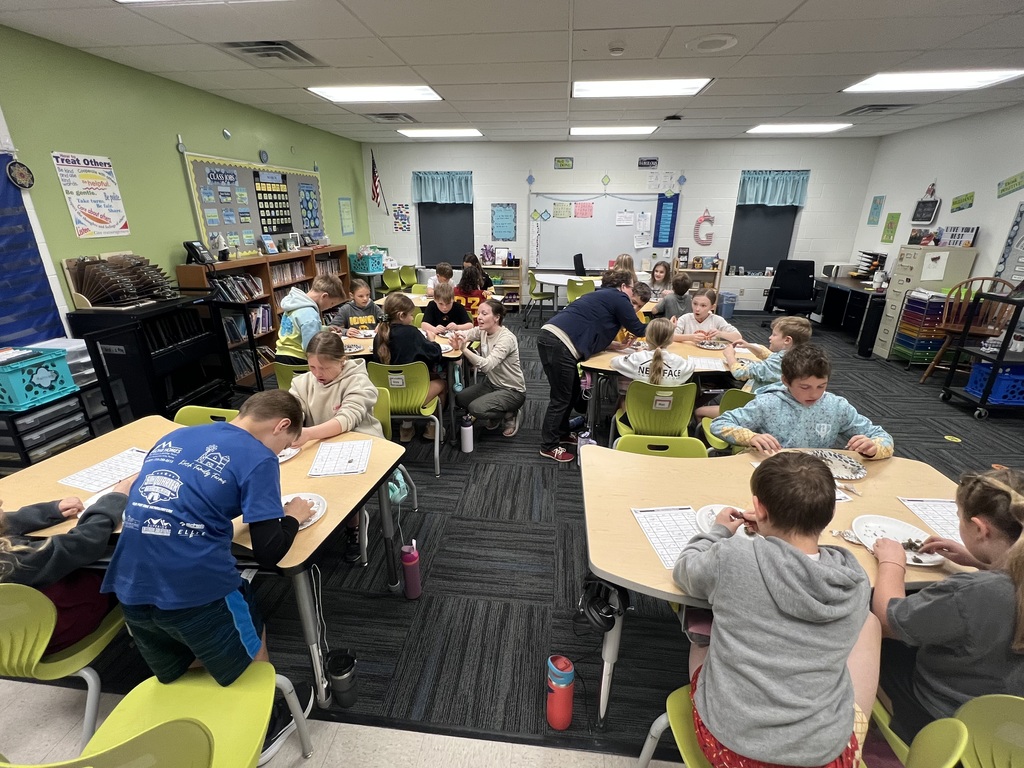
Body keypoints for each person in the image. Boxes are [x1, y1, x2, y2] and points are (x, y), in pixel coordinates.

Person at [100, 390, 316, 764]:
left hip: (129, 588)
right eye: (286, 444)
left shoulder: (175, 436)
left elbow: (177, 496)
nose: (281, 452)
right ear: (282, 426)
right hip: (197, 590)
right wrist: (293, 515)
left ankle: (194, 723)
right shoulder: (260, 457)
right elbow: (270, 551)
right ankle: (262, 725)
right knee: (246, 604)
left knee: (179, 667)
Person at [675, 451, 879, 768]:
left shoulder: (732, 556)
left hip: (732, 748)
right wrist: (772, 532)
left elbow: (686, 569)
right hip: (822, 755)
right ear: (828, 514)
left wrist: (718, 532)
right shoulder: (854, 583)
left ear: (758, 508)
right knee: (864, 630)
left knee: (701, 627)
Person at [869, 468, 1024, 743]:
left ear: (979, 528)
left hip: (943, 718)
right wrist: (982, 561)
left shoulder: (974, 593)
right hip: (1007, 724)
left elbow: (886, 619)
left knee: (862, 620)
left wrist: (892, 562)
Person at [1, 481, 130, 653]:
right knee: (121, 565)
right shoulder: (15, 559)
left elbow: (8, 521)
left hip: (12, 634)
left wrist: (51, 511)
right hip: (49, 635)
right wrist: (115, 499)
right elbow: (84, 543)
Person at [289, 331, 383, 563]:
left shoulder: (359, 381)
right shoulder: (302, 382)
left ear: (342, 361)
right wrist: (294, 419)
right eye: (312, 367)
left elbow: (346, 420)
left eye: (324, 368)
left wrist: (307, 433)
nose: (317, 374)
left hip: (358, 443)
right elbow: (293, 409)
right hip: (318, 443)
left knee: (344, 484)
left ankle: (355, 522)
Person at [537, 268, 646, 463]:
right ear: (623, 287)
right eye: (632, 288)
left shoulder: (603, 297)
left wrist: (616, 345)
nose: (632, 294)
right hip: (559, 343)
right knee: (561, 397)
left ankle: (561, 432)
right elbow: (638, 328)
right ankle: (549, 445)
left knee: (570, 392)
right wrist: (666, 326)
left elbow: (593, 331)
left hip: (553, 338)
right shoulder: (618, 297)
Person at [710, 343, 895, 458]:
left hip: (815, 479)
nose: (814, 394)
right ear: (785, 381)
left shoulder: (837, 406)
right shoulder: (768, 403)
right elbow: (719, 424)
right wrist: (752, 437)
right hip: (773, 474)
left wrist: (873, 448)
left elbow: (883, 438)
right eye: (805, 387)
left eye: (821, 386)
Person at [694, 315, 813, 420]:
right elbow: (770, 357)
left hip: (752, 407)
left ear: (787, 340)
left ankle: (717, 442)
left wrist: (730, 356)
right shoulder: (797, 357)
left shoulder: (777, 361)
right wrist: (749, 346)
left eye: (774, 335)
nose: (770, 338)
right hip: (775, 406)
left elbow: (740, 373)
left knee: (699, 412)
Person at [373, 292, 447, 442]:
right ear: (401, 316)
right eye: (411, 315)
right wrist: (432, 340)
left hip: (388, 398)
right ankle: (433, 428)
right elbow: (435, 354)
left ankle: (406, 427)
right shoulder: (412, 333)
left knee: (410, 377)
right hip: (414, 396)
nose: (413, 318)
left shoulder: (379, 336)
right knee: (442, 383)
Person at [452, 299, 526, 437]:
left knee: (475, 409)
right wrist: (458, 335)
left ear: (497, 317)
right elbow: (468, 333)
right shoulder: (483, 330)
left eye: (484, 314)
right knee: (460, 399)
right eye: (479, 313)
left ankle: (510, 413)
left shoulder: (506, 339)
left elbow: (486, 366)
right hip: (492, 384)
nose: (479, 317)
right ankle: (497, 412)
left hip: (512, 391)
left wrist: (464, 349)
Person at [275, 275, 346, 364]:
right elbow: (311, 347)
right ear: (324, 296)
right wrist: (331, 339)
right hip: (298, 358)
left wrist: (326, 329)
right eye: (332, 303)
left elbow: (299, 329)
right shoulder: (310, 314)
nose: (330, 307)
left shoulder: (295, 303)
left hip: (281, 355)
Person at [610, 317, 694, 388]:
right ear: (671, 340)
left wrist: (637, 354)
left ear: (647, 337)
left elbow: (614, 362)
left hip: (637, 406)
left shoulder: (637, 358)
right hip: (672, 406)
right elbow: (691, 367)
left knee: (622, 397)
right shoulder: (679, 362)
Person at [673, 288, 742, 344]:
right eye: (695, 303)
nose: (697, 309)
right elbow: (671, 337)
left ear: (712, 307)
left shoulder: (717, 320)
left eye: (703, 305)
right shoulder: (685, 318)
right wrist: (690, 337)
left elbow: (738, 337)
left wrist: (720, 333)